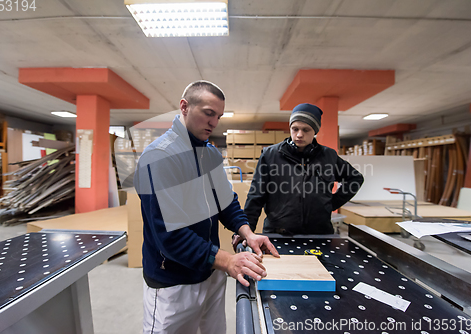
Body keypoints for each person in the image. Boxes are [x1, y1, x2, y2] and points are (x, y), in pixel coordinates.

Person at [134, 80, 279, 334]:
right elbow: (171, 236)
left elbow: (226, 201)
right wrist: (228, 261)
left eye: (219, 116)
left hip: (210, 272)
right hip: (174, 282)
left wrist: (247, 232)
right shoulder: (159, 158)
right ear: (185, 107)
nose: (214, 123)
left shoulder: (210, 154)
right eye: (208, 113)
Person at [243, 103, 364, 235]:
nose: (299, 135)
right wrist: (247, 233)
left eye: (306, 130)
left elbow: (355, 178)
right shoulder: (270, 155)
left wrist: (331, 204)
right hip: (279, 232)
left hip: (319, 233)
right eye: (295, 129)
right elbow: (256, 195)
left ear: (315, 131)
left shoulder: (328, 156)